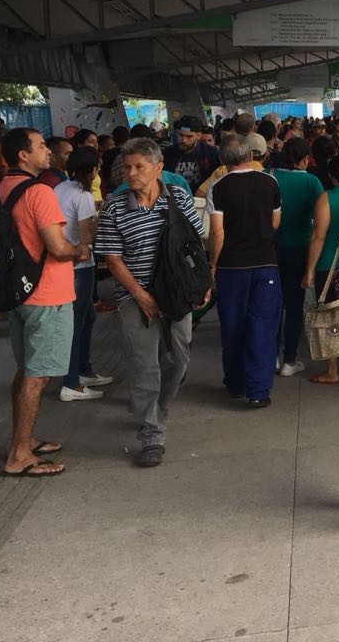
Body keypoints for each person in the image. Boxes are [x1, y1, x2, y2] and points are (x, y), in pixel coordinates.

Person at [96, 138, 208, 467]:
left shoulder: (178, 199)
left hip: (177, 292)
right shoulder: (116, 208)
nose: (131, 173)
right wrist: (139, 294)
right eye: (126, 167)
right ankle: (151, 434)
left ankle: (158, 409)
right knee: (144, 365)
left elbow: (194, 244)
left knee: (178, 357)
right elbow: (112, 259)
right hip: (135, 297)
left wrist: (204, 281)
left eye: (138, 167)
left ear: (158, 168)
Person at [0, 128, 79, 477]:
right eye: (41, 146)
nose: (48, 151)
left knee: (27, 369)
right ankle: (18, 454)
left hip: (19, 292)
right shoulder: (41, 191)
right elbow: (57, 247)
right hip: (48, 294)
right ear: (23, 155)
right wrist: (81, 250)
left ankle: (23, 440)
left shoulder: (3, 187)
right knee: (38, 376)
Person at [206, 134, 282, 408]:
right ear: (251, 156)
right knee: (262, 326)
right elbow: (275, 222)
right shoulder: (270, 182)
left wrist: (213, 265)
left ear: (222, 160)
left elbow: (217, 233)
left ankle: (236, 384)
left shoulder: (217, 188)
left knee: (233, 326)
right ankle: (259, 391)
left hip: (231, 267)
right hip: (266, 266)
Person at [54, 148, 113, 401]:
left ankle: (83, 368)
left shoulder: (60, 189)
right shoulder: (82, 195)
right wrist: (102, 220)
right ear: (91, 170)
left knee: (87, 316)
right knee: (77, 323)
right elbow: (86, 232)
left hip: (63, 262)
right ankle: (71, 382)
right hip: (79, 264)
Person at [269, 137, 323, 378]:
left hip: (270, 251)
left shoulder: (269, 178)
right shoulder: (312, 183)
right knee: (293, 307)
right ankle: (290, 359)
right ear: (304, 160)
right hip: (301, 251)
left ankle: (270, 359)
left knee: (270, 307)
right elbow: (320, 225)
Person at [302, 155, 339, 385]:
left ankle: (332, 371)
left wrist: (309, 270)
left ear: (331, 176)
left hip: (329, 265)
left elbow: (318, 236)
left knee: (330, 318)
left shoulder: (326, 199)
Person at [162, 116, 219, 192]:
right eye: (181, 135)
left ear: (198, 136)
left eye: (189, 136)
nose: (184, 140)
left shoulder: (212, 153)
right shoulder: (167, 153)